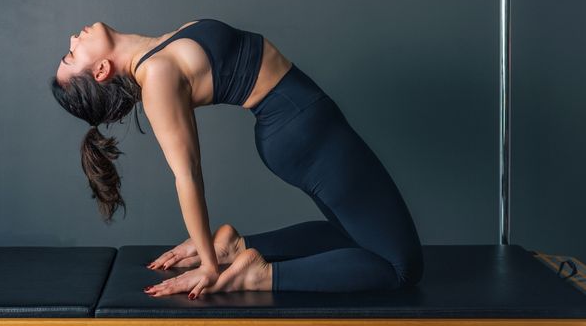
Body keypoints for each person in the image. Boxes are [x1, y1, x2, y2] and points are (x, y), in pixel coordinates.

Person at [50, 18, 424, 300]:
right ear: (100, 70)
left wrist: (213, 249)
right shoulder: (158, 77)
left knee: (352, 235)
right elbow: (187, 175)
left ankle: (236, 246)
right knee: (400, 270)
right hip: (305, 132)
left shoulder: (160, 48)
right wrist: (210, 268)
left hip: (303, 125)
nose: (72, 40)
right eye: (71, 55)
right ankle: (258, 275)